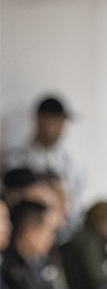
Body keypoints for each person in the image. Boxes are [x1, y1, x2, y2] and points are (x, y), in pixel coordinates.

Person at [2, 95, 83, 242]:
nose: (60, 128)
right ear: (40, 119)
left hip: (65, 235)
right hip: (28, 236)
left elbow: (74, 204)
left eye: (63, 123)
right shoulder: (17, 158)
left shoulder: (70, 163)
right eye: (55, 121)